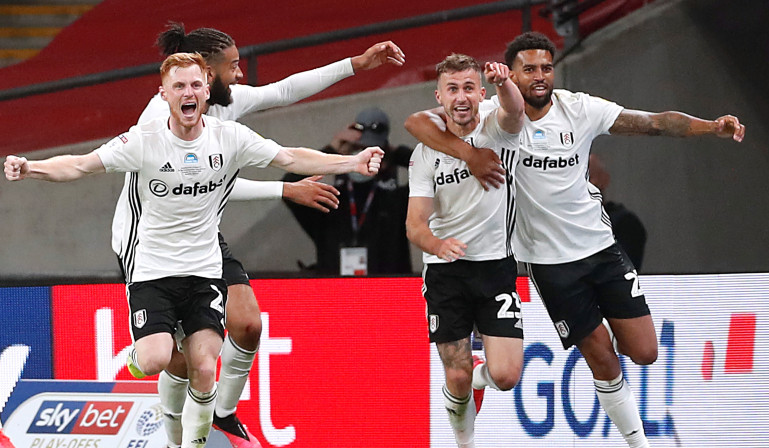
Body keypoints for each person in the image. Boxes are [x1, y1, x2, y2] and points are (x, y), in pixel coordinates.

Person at [4, 53, 384, 448]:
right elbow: (80, 165)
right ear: (164, 94)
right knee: (156, 359)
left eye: (195, 85)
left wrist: (353, 162)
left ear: (207, 90)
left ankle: (191, 445)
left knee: (204, 366)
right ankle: (146, 379)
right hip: (151, 269)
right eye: (179, 86)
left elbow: (289, 156)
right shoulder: (143, 141)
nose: (188, 93)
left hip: (204, 269)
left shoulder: (229, 137)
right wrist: (32, 168)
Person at [405, 32, 744, 448]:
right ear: (511, 74)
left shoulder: (580, 108)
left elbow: (654, 122)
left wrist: (711, 126)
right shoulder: (489, 111)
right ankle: (639, 444)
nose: (540, 76)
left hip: (600, 247)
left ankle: (478, 378)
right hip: (547, 262)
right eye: (529, 69)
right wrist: (470, 154)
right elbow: (417, 122)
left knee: (645, 352)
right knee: (599, 353)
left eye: (546, 67)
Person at [116, 23, 404, 448]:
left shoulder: (223, 102)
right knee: (177, 359)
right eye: (233, 66)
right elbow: (206, 185)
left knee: (248, 325)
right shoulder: (161, 119)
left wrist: (355, 65)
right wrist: (285, 188)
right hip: (150, 244)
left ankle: (224, 412)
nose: (241, 75)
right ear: (207, 72)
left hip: (201, 234)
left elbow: (284, 90)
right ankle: (171, 426)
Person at [406, 54, 525, 448]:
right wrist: (438, 245)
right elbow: (414, 225)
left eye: (469, 88)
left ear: (480, 93)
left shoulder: (497, 129)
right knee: (453, 375)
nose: (461, 98)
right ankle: (465, 444)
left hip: (495, 268)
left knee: (506, 376)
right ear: (438, 96)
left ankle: (481, 375)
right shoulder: (424, 154)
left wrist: (503, 82)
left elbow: (515, 108)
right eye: (452, 89)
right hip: (446, 272)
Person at [283, 107, 412, 275]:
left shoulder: (394, 200)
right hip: (336, 292)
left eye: (372, 152)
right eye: (357, 149)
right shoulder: (330, 199)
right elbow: (289, 187)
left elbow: (434, 174)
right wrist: (332, 152)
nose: (363, 157)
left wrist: (396, 153)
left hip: (384, 292)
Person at [588, 153, 647, 270]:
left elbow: (621, 273)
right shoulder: (559, 223)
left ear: (604, 180)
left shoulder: (624, 224)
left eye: (587, 177)